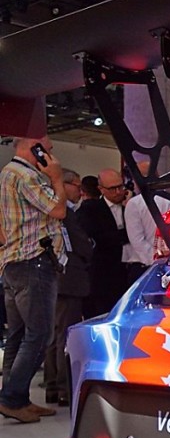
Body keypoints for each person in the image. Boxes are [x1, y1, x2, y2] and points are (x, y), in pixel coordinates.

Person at [0, 136, 67, 423]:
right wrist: (57, 178)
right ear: (35, 149)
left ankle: (16, 397)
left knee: (18, 334)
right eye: (48, 150)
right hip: (33, 261)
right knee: (40, 334)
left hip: (14, 262)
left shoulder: (6, 174)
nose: (51, 155)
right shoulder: (27, 176)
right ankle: (12, 398)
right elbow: (59, 210)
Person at [43, 168, 93, 406]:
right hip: (69, 277)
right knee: (65, 334)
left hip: (55, 279)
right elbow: (80, 244)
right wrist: (88, 251)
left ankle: (53, 385)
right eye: (76, 185)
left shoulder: (47, 210)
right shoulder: (65, 213)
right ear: (63, 185)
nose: (80, 190)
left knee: (54, 333)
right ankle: (64, 387)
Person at [79, 167, 129, 317]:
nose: (118, 192)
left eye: (121, 187)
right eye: (112, 189)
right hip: (103, 272)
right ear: (101, 189)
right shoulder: (91, 209)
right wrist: (125, 235)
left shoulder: (130, 207)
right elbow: (101, 237)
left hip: (126, 270)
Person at [123, 161, 170, 283]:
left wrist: (154, 260)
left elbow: (137, 240)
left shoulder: (134, 204)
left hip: (144, 266)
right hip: (169, 264)